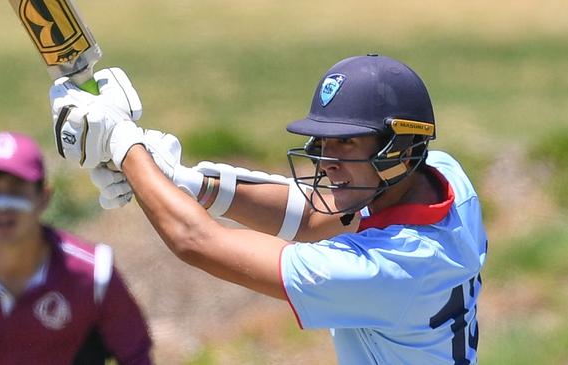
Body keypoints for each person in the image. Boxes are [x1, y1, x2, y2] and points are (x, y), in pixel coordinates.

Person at [50, 56, 487, 364]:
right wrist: (188, 182)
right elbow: (316, 217)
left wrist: (124, 146)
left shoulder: (386, 271)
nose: (328, 160)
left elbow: (197, 243)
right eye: (325, 142)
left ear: (401, 151)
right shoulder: (446, 179)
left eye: (347, 142)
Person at [0, 132, 152, 364]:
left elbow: (136, 355)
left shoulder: (93, 273)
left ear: (44, 197)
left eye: (16, 190)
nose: (2, 205)